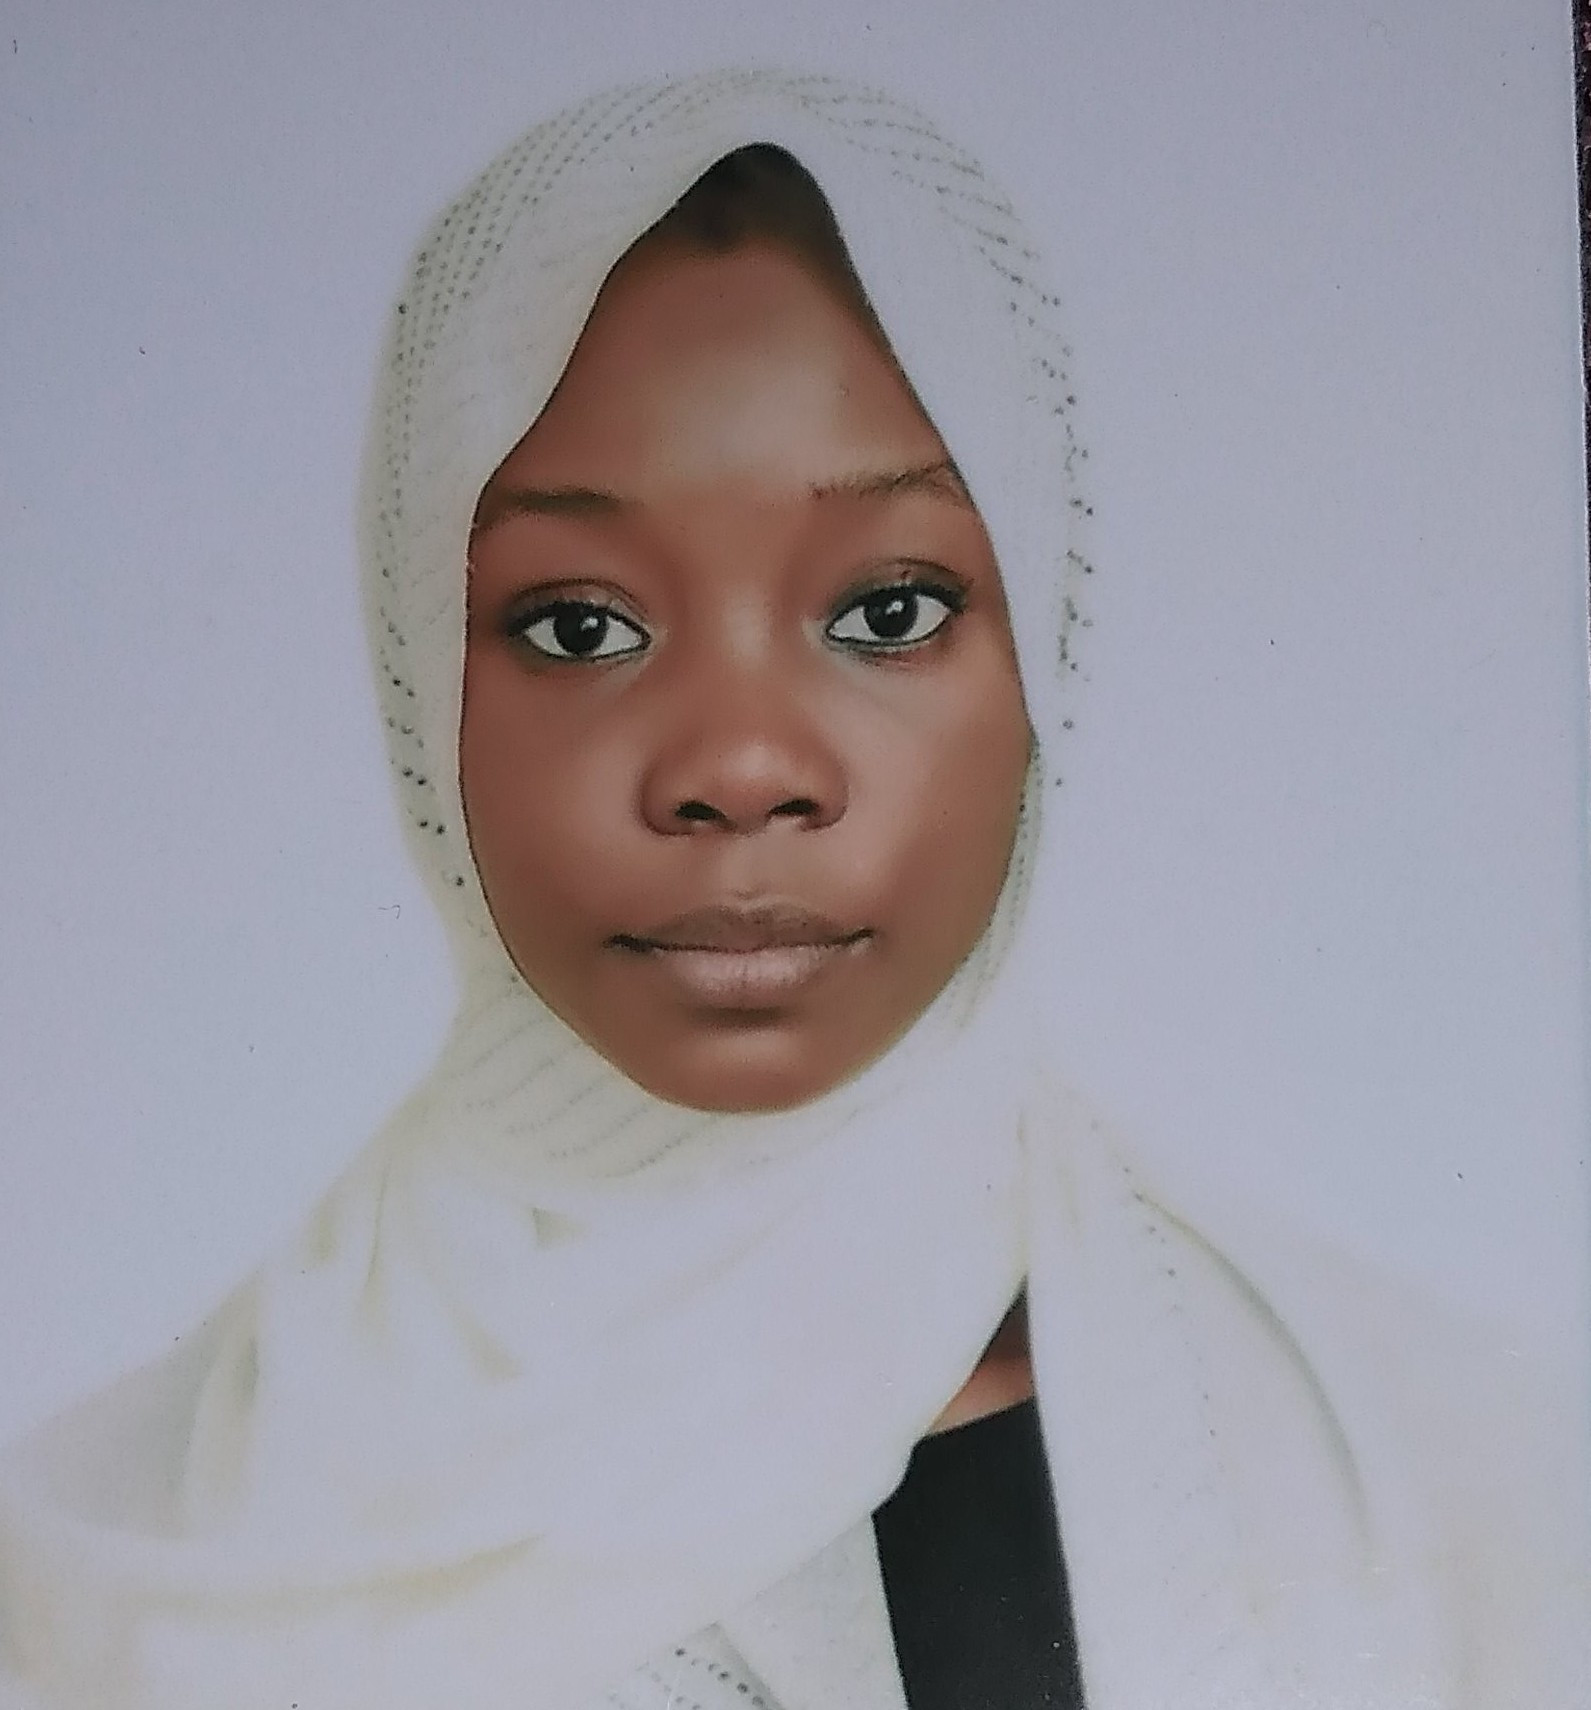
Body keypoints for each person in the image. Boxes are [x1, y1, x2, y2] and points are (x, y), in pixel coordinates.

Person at [0, 68, 1582, 1710]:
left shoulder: (1442, 1489)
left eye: (889, 612)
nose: (742, 764)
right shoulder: (120, 1564)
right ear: (422, 667)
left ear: (1046, 647)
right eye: (581, 626)